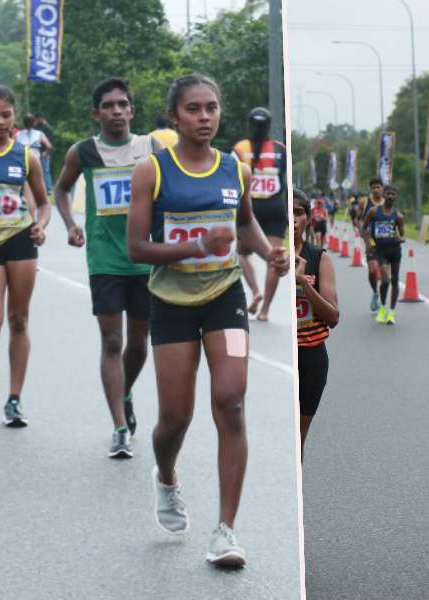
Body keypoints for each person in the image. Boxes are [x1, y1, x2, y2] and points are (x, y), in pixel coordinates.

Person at [127, 74, 289, 567]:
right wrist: (196, 245)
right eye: (193, 109)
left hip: (224, 297)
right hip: (171, 301)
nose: (204, 117)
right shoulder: (152, 171)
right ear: (174, 116)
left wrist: (269, 252)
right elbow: (137, 248)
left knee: (231, 401)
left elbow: (245, 223)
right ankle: (166, 477)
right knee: (175, 418)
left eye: (212, 108)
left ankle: (225, 531)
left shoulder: (235, 169)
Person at [53, 77, 160, 458]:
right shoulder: (83, 152)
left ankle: (124, 392)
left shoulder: (151, 148)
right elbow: (61, 189)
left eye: (122, 104)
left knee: (139, 344)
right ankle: (119, 427)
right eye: (108, 106)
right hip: (104, 259)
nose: (116, 111)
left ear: (132, 110)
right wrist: (71, 224)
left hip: (145, 259)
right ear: (96, 113)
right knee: (112, 341)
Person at [0, 85, 51, 427]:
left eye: (6, 115)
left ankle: (14, 399)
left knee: (18, 320)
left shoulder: (26, 156)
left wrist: (41, 225)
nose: (0, 122)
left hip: (19, 240)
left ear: (14, 115)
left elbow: (43, 204)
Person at [292, 188, 338, 452]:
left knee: (298, 436)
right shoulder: (271, 257)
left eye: (298, 213)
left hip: (312, 357)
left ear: (308, 219)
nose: (293, 219)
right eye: (287, 213)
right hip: (284, 357)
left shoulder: (319, 258)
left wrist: (304, 284)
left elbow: (333, 317)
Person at [232, 107, 288, 322]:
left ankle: (255, 291)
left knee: (242, 254)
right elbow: (284, 180)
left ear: (249, 125)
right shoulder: (280, 149)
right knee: (274, 258)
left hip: (249, 208)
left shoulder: (239, 149)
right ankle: (265, 310)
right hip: (275, 207)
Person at [363, 185, 405, 324]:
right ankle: (382, 307)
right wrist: (369, 243)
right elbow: (364, 229)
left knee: (395, 281)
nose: (391, 196)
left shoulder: (398, 216)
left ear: (396, 197)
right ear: (384, 195)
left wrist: (399, 239)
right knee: (385, 280)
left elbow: (403, 236)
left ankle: (391, 312)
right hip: (380, 251)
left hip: (394, 251)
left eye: (393, 194)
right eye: (388, 193)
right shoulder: (374, 211)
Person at [358, 177, 385, 312]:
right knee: (373, 271)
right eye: (373, 187)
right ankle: (375, 293)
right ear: (370, 189)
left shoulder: (387, 201)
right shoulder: (365, 201)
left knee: (386, 276)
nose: (376, 189)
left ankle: (384, 302)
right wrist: (364, 236)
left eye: (378, 187)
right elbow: (358, 219)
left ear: (382, 188)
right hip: (371, 241)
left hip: (385, 242)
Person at [33, 113, 54, 194]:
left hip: (45, 152)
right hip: (38, 152)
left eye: (37, 119)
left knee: (45, 170)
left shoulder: (47, 128)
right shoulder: (36, 127)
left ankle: (48, 189)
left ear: (40, 118)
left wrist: (46, 152)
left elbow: (50, 142)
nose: (36, 121)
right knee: (38, 171)